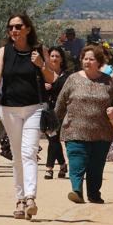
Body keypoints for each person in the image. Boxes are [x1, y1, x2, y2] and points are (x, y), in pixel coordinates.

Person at [0, 14, 57, 220]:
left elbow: (52, 78)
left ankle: (30, 198)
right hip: (9, 109)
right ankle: (19, 199)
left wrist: (41, 65)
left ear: (27, 29)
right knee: (17, 155)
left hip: (34, 108)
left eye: (18, 26)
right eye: (10, 27)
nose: (14, 30)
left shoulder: (39, 50)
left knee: (29, 153)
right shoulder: (4, 51)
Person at [55, 45, 113, 204]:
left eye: (91, 59)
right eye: (85, 58)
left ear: (98, 62)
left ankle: (94, 193)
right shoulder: (72, 79)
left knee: (96, 166)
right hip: (74, 129)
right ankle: (77, 190)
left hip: (102, 132)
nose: (87, 61)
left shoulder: (107, 81)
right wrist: (54, 124)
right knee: (76, 160)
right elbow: (60, 104)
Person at [43, 47, 70, 180]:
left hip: (63, 112)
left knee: (54, 139)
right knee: (53, 140)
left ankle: (49, 168)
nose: (54, 58)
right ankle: (63, 164)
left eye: (57, 56)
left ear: (61, 59)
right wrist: (43, 87)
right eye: (52, 56)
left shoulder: (67, 76)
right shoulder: (42, 73)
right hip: (47, 111)